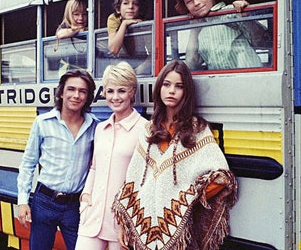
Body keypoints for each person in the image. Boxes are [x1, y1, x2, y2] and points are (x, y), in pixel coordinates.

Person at [112, 60, 237, 250]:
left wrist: (185, 201)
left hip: (181, 232)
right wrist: (124, 224)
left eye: (179, 86)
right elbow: (133, 181)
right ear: (159, 88)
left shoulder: (197, 129)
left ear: (186, 93)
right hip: (144, 224)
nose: (171, 91)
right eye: (166, 84)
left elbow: (222, 177)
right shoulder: (149, 129)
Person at [17, 69, 98, 250]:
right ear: (61, 93)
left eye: (82, 91)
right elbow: (28, 163)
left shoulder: (95, 126)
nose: (76, 95)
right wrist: (23, 201)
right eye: (71, 89)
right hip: (44, 202)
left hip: (75, 207)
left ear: (87, 97)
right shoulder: (42, 123)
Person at [75, 62, 148, 250]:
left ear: (132, 92)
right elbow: (94, 167)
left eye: (122, 91)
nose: (115, 97)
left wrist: (129, 220)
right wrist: (85, 197)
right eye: (110, 91)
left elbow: (145, 181)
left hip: (122, 225)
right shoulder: (101, 128)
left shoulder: (146, 130)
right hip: (92, 218)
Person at [174, 0, 269, 71]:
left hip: (249, 80)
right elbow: (192, 64)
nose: (196, 3)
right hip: (219, 83)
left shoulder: (231, 12)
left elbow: (263, 42)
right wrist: (194, 29)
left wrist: (246, 17)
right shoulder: (200, 28)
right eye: (189, 1)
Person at [107, 0, 151, 75]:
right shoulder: (113, 19)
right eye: (126, 3)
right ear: (118, 9)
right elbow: (113, 49)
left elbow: (153, 54)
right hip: (119, 66)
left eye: (135, 3)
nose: (130, 7)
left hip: (141, 64)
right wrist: (124, 24)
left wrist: (138, 71)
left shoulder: (145, 24)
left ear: (140, 8)